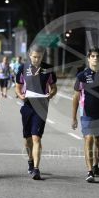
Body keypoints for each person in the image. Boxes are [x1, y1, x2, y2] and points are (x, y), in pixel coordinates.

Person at [72, 47, 99, 183]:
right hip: (86, 113)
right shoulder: (82, 76)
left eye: (97, 56)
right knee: (89, 139)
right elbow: (75, 97)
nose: (95, 58)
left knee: (98, 142)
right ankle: (89, 171)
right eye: (93, 56)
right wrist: (73, 117)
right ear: (88, 58)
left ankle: (96, 165)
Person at [15, 44, 57, 180]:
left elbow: (53, 87)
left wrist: (51, 94)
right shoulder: (23, 68)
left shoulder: (48, 69)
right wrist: (20, 95)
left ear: (42, 56)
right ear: (29, 55)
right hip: (27, 106)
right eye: (34, 57)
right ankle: (30, 160)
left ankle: (36, 169)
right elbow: (18, 86)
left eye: (39, 57)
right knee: (28, 140)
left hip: (42, 106)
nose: (36, 59)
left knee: (36, 137)